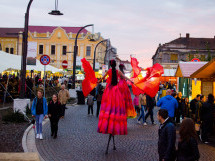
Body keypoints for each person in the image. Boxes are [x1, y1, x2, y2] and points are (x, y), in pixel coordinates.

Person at [97, 60, 133, 154]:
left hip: (109, 91)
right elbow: (124, 77)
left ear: (110, 65)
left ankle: (109, 122)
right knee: (117, 108)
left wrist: (97, 81)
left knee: (108, 107)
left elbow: (102, 78)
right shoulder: (118, 72)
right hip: (116, 92)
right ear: (115, 65)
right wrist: (131, 80)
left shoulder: (109, 71)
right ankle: (113, 124)